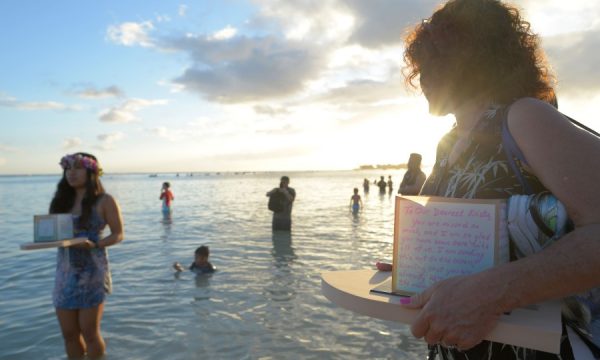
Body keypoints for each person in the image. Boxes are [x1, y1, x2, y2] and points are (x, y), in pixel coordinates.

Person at [399, 1, 600, 359]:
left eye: (431, 61)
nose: (421, 77)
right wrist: (414, 265)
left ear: (468, 59)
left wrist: (493, 292)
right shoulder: (447, 143)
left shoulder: (524, 118)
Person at [50, 152, 124, 358]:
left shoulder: (105, 200)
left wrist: (95, 244)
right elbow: (53, 234)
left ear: (91, 172)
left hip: (92, 273)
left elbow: (118, 234)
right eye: (68, 169)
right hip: (64, 275)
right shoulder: (61, 201)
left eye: (77, 168)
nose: (71, 173)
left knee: (90, 333)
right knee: (69, 334)